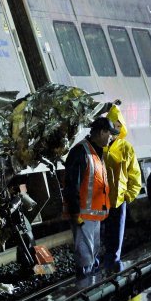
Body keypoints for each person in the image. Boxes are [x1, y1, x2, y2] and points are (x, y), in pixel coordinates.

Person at [62, 117, 116, 278]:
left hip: (93, 215)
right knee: (85, 254)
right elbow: (72, 184)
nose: (111, 138)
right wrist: (75, 212)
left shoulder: (96, 152)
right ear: (101, 132)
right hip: (82, 215)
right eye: (110, 134)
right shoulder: (81, 152)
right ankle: (85, 285)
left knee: (92, 252)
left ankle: (91, 283)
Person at [102, 105, 142, 273]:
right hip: (100, 200)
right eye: (113, 125)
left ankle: (113, 266)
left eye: (119, 125)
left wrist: (128, 195)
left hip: (118, 200)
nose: (116, 129)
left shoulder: (126, 148)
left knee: (115, 236)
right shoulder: (100, 146)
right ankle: (103, 265)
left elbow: (134, 175)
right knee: (102, 235)